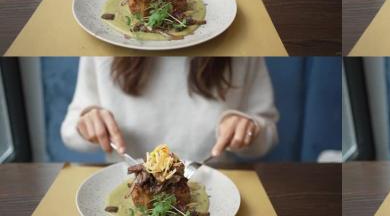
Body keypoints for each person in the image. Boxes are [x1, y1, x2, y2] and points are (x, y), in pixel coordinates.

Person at [61, 57, 278, 162]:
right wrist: (87, 122)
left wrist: (248, 128)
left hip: (214, 186)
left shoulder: (240, 48)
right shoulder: (103, 44)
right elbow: (70, 132)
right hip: (125, 189)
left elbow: (267, 136)